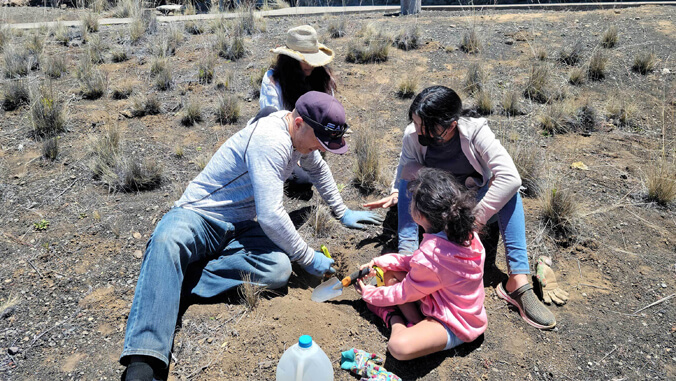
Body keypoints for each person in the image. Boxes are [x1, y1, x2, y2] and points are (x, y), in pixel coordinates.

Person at [120, 92, 384, 380]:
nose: (318, 149)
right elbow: (271, 215)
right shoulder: (271, 141)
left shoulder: (301, 141)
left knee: (278, 269)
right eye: (319, 142)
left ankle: (168, 283)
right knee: (166, 243)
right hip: (199, 215)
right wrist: (308, 257)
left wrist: (342, 211)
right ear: (298, 123)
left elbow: (317, 169)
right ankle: (144, 360)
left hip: (240, 225)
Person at [364, 86, 556, 330]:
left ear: (452, 124)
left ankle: (517, 280)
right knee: (408, 180)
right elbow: (405, 167)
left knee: (510, 192)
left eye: (428, 128)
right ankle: (408, 254)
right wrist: (396, 191)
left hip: (470, 206)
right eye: (416, 125)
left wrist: (473, 221)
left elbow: (510, 177)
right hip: (437, 207)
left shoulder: (475, 130)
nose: (419, 132)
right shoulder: (413, 134)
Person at [355, 168, 486, 361]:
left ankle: (394, 318)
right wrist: (380, 262)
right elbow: (418, 264)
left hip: (456, 323)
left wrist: (370, 295)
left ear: (421, 214)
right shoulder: (464, 234)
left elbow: (405, 291)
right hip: (456, 304)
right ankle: (418, 325)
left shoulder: (431, 254)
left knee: (398, 347)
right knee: (390, 272)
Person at [259, 25, 337, 184]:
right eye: (304, 60)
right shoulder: (273, 81)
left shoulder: (321, 77)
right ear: (291, 60)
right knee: (304, 180)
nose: (310, 65)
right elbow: (272, 121)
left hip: (311, 141)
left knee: (311, 173)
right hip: (284, 142)